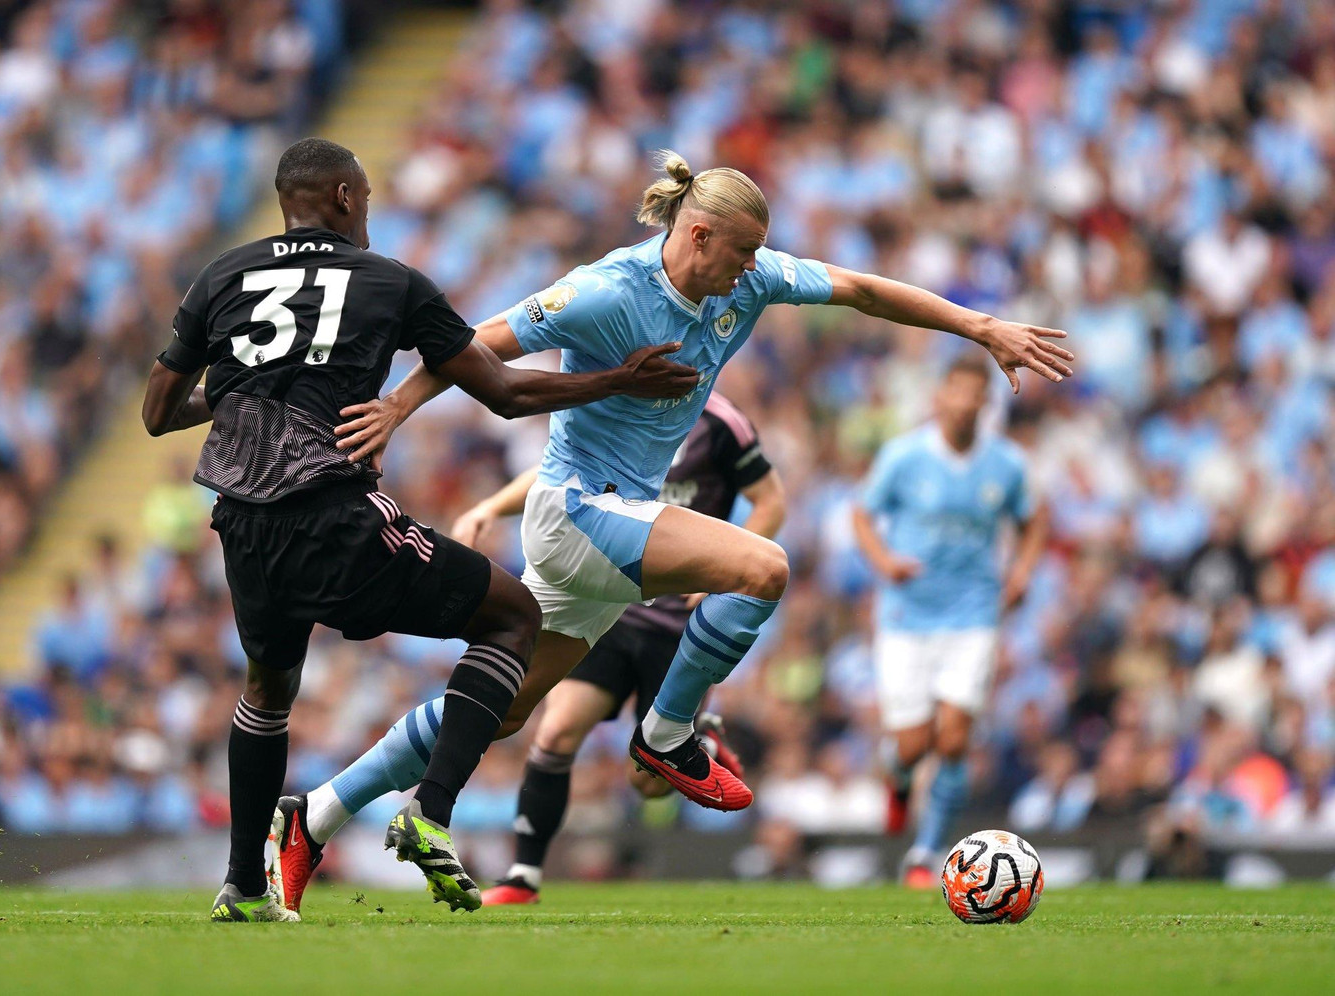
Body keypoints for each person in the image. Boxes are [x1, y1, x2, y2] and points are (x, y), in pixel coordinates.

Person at [280, 150, 1071, 899]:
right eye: (743, 251)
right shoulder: (607, 291)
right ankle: (666, 733)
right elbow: (476, 342)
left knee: (503, 709)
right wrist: (396, 408)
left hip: (613, 521)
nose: (753, 267)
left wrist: (981, 327)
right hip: (576, 510)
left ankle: (315, 814)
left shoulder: (749, 280)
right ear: (698, 235)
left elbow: (861, 290)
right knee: (763, 569)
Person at [140, 137, 700, 922]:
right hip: (331, 513)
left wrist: (244, 388)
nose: (368, 211)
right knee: (513, 617)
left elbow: (158, 412)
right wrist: (618, 380)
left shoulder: (222, 274)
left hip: (241, 524)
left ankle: (242, 886)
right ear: (343, 196)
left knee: (267, 689)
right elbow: (504, 393)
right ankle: (430, 810)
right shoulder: (389, 281)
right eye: (365, 197)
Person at [454, 394, 783, 904]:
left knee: (648, 784)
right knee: (556, 731)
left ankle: (702, 740)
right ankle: (523, 876)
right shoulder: (619, 400)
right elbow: (558, 475)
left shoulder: (722, 421)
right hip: (611, 609)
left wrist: (729, 571)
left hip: (677, 626)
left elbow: (771, 500)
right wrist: (490, 507)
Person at [851, 356, 1049, 887]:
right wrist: (884, 562)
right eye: (954, 391)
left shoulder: (1007, 464)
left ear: (985, 403)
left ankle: (925, 853)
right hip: (907, 614)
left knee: (956, 739)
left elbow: (1034, 519)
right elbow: (862, 514)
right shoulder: (904, 456)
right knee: (914, 745)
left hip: (974, 613)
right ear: (938, 397)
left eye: (972, 394)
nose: (962, 403)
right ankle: (898, 777)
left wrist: (1022, 571)